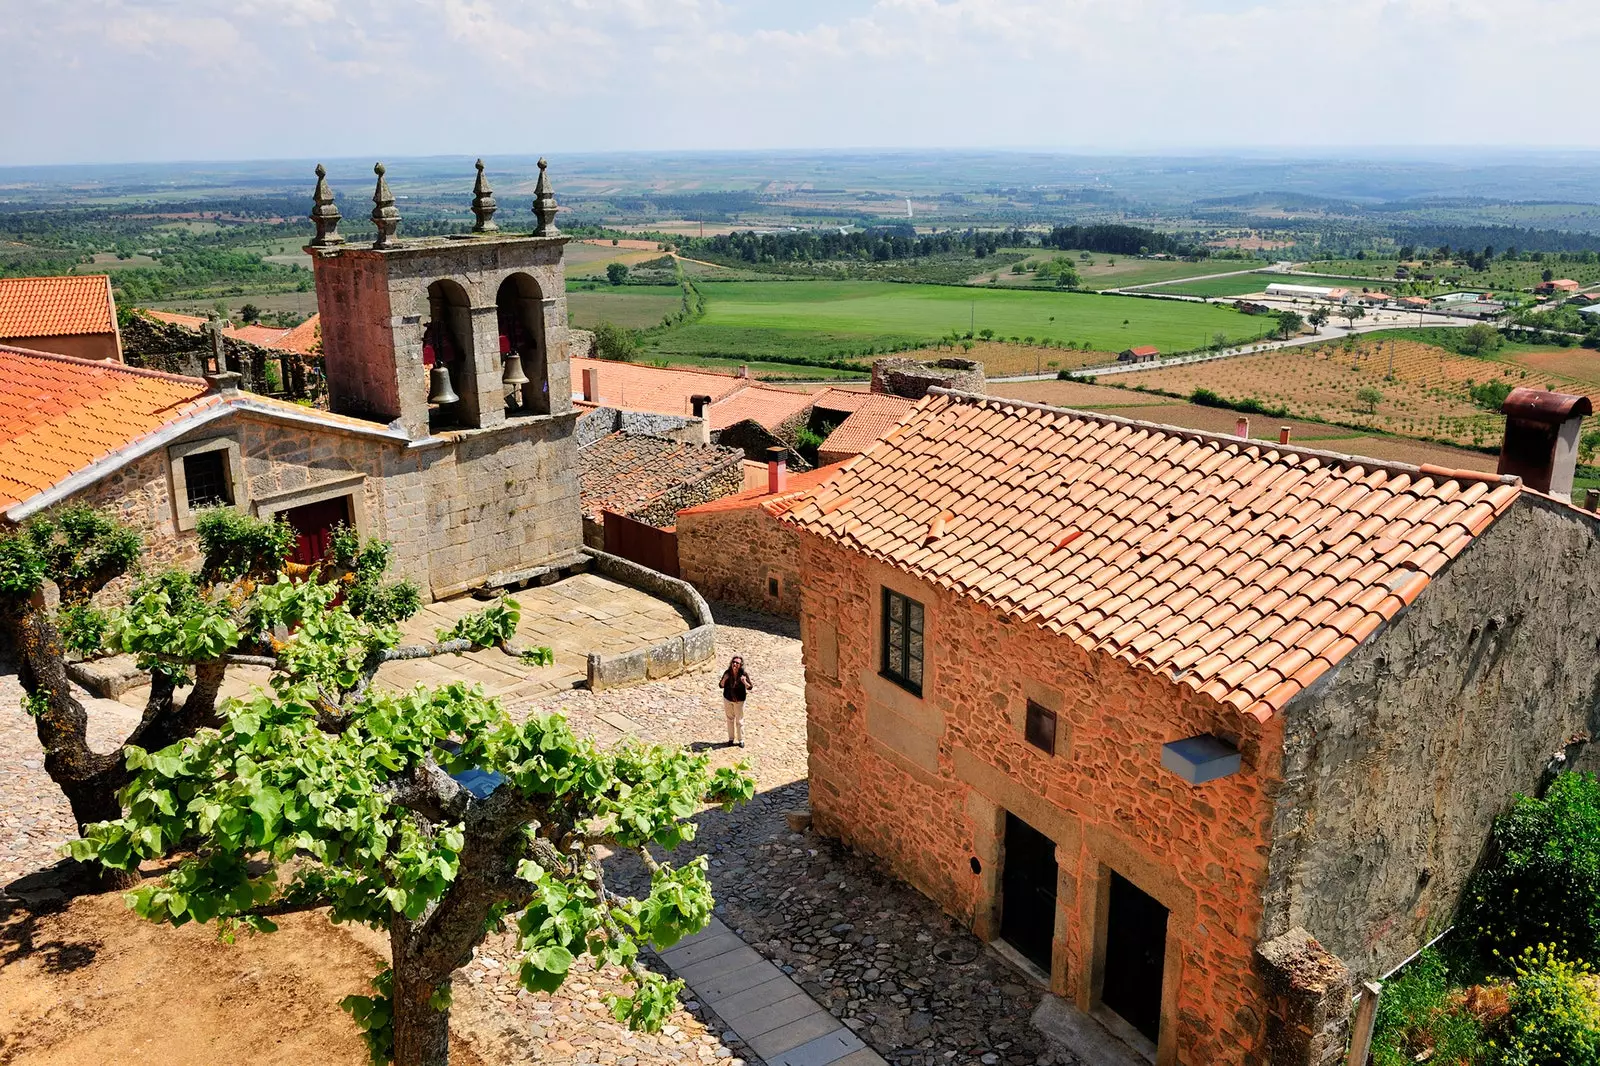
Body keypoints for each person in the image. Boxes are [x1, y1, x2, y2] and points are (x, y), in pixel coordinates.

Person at [720, 655, 754, 747]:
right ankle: (731, 739)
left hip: (739, 701)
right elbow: (721, 685)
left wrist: (744, 682)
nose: (734, 664)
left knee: (739, 721)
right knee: (730, 719)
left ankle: (741, 740)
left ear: (740, 665)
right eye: (733, 662)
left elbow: (750, 687)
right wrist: (724, 679)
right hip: (728, 699)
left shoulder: (743, 674)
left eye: (737, 663)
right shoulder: (727, 673)